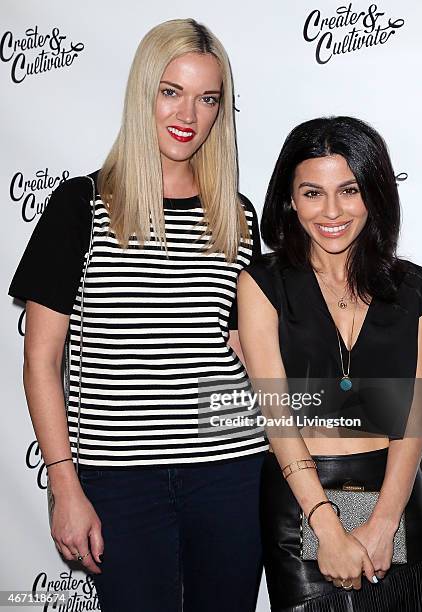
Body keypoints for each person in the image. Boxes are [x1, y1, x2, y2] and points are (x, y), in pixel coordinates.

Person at [8, 18, 268, 612]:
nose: (188, 114)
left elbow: (247, 345)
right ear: (143, 92)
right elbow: (41, 359)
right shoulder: (83, 204)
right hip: (118, 483)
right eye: (171, 91)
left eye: (208, 98)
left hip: (231, 471)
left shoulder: (238, 215)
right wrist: (64, 484)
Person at [237, 116, 422, 610]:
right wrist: (327, 524)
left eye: (348, 190)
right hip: (303, 500)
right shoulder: (264, 283)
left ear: (372, 194)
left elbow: (414, 419)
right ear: (290, 199)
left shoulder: (414, 289)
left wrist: (383, 523)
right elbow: (277, 417)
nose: (331, 211)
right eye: (312, 192)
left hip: (394, 496)